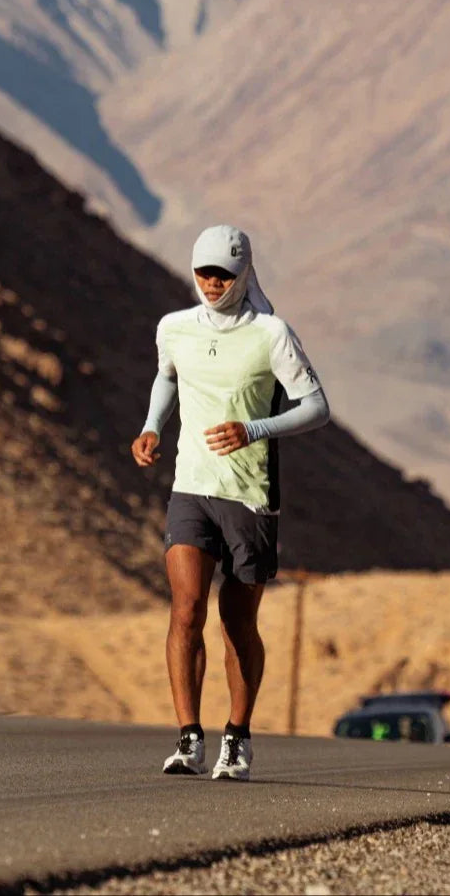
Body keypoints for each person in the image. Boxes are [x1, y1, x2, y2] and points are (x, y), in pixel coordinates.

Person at [130, 224, 330, 781]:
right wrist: (151, 427)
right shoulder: (175, 328)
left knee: (236, 622)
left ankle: (236, 737)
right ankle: (188, 737)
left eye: (222, 274)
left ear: (243, 275)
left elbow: (316, 406)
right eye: (203, 272)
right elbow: (167, 377)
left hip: (249, 493)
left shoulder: (271, 334)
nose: (211, 283)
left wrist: (255, 429)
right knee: (186, 607)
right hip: (191, 486)